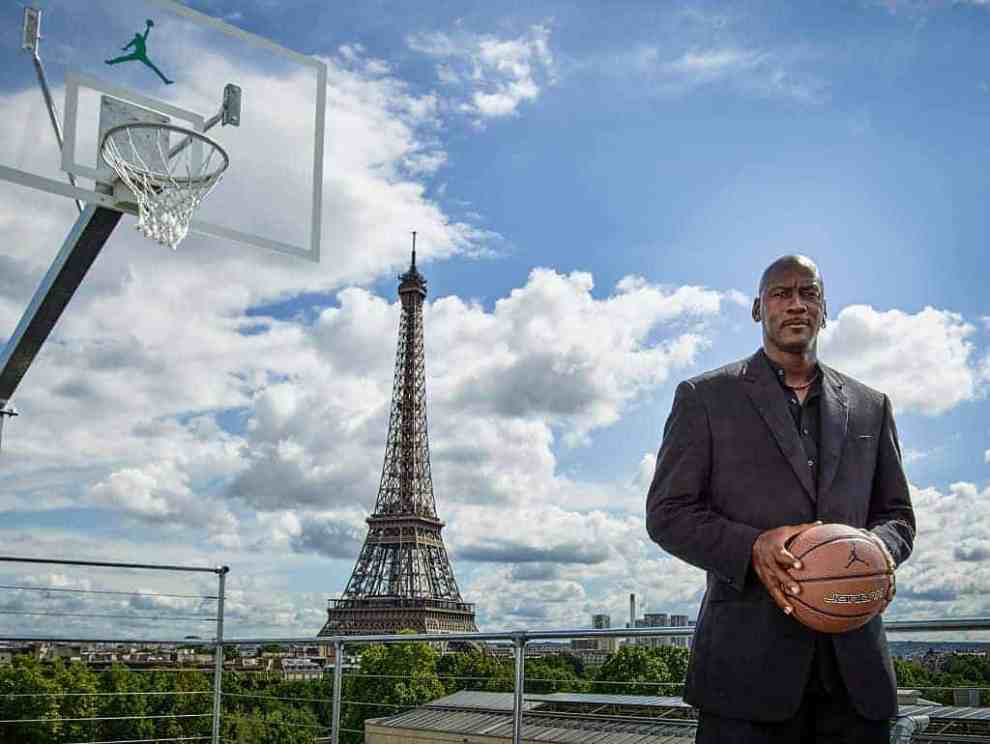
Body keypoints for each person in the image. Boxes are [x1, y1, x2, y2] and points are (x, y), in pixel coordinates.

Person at [645, 255, 915, 742]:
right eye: (780, 293)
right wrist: (751, 547)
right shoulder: (704, 397)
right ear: (756, 309)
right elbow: (667, 513)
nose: (796, 304)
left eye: (808, 293)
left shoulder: (872, 406)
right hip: (743, 676)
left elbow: (896, 516)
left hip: (857, 677)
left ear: (824, 309)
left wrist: (875, 554)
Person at [105, 19, 174, 85]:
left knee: (154, 67)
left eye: (138, 35)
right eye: (137, 35)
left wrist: (148, 27)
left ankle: (165, 80)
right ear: (137, 36)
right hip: (137, 54)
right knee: (123, 58)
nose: (138, 36)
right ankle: (111, 62)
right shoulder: (135, 40)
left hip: (142, 56)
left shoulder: (141, 39)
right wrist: (125, 48)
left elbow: (146, 33)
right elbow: (129, 44)